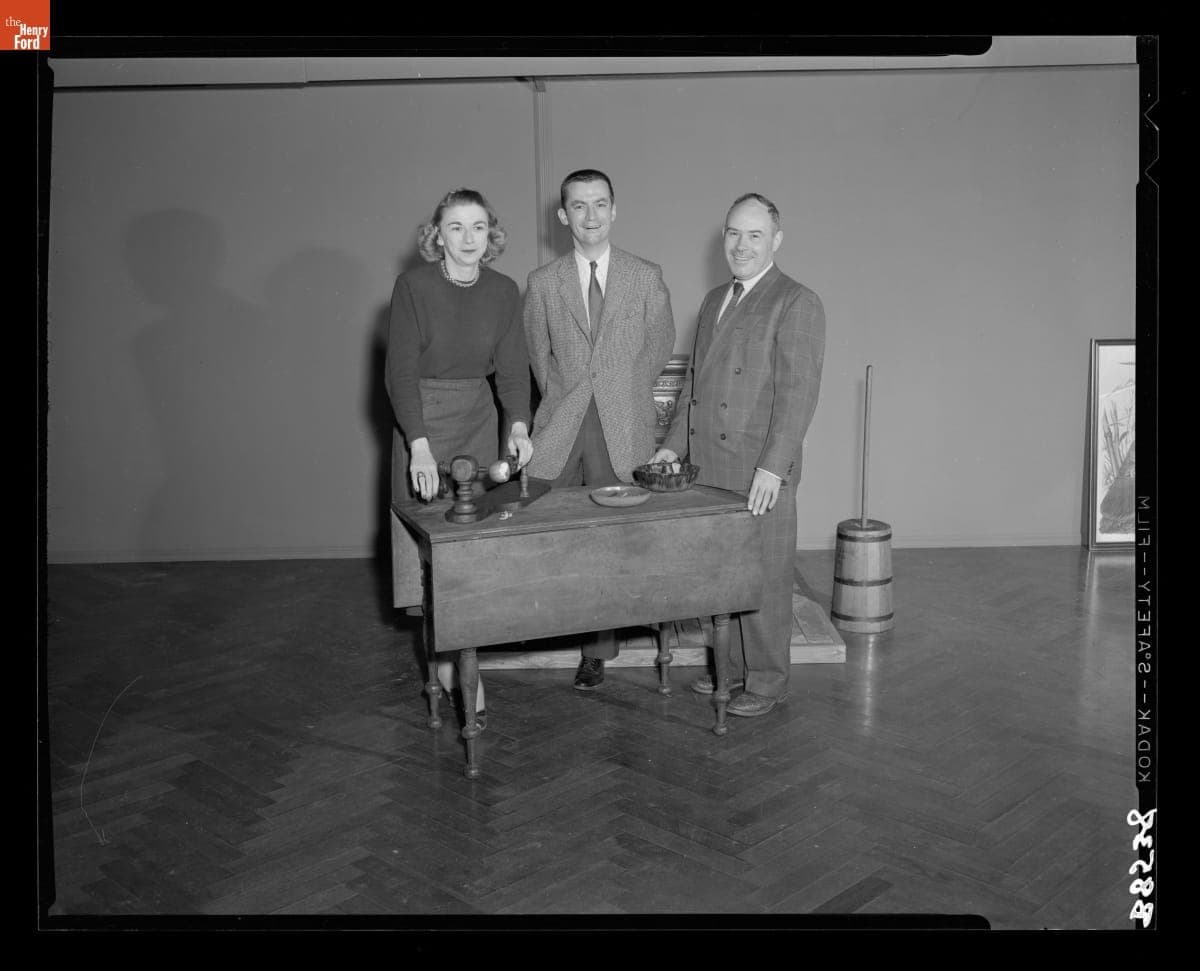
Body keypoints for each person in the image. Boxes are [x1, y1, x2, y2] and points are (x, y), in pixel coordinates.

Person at [652, 192, 825, 717]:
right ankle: (728, 670)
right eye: (733, 233)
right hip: (709, 466)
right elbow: (694, 390)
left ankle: (768, 682)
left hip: (757, 468)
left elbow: (798, 395)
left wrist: (774, 467)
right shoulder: (712, 301)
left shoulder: (796, 301)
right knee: (723, 577)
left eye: (754, 235)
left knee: (766, 578)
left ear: (775, 240)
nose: (741, 245)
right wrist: (669, 445)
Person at [387, 187, 534, 729]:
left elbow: (514, 368)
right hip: (422, 424)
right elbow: (399, 372)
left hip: (476, 419)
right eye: (455, 227)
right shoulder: (413, 287)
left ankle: (464, 660)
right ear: (437, 235)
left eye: (478, 227)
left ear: (491, 234)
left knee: (469, 554)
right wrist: (418, 447)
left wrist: (517, 425)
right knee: (428, 558)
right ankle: (447, 664)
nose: (468, 238)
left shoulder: (502, 290)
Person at [523, 169, 675, 690]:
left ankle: (596, 650)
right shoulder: (542, 282)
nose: (591, 216)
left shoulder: (646, 275)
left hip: (621, 424)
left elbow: (657, 348)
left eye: (600, 204)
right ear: (563, 215)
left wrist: (619, 390)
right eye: (579, 206)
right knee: (558, 534)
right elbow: (537, 358)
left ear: (615, 210)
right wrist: (569, 394)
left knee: (614, 540)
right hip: (563, 425)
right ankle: (548, 628)